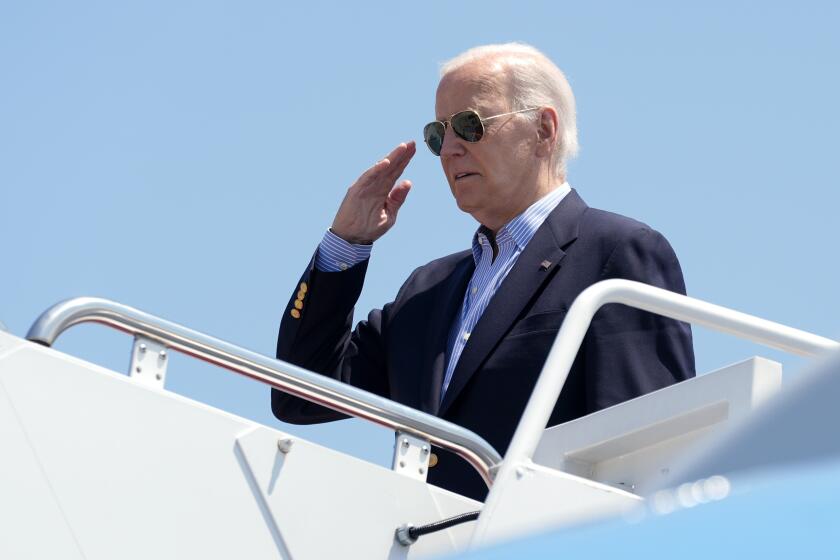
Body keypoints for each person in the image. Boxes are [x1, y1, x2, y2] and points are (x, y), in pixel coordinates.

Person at [272, 43, 695, 501]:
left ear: (543, 129)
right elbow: (300, 395)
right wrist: (346, 244)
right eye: (438, 134)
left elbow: (644, 459)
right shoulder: (426, 291)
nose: (449, 150)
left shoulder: (616, 254)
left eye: (471, 126)